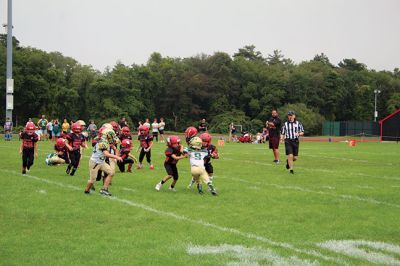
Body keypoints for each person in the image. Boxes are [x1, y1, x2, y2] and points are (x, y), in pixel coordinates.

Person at [84, 130, 123, 196]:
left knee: (111, 172)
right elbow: (106, 154)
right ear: (109, 137)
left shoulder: (105, 141)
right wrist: (117, 157)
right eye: (112, 137)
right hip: (95, 163)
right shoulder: (103, 142)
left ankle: (104, 189)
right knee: (92, 180)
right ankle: (86, 191)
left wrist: (114, 148)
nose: (113, 139)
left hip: (101, 162)